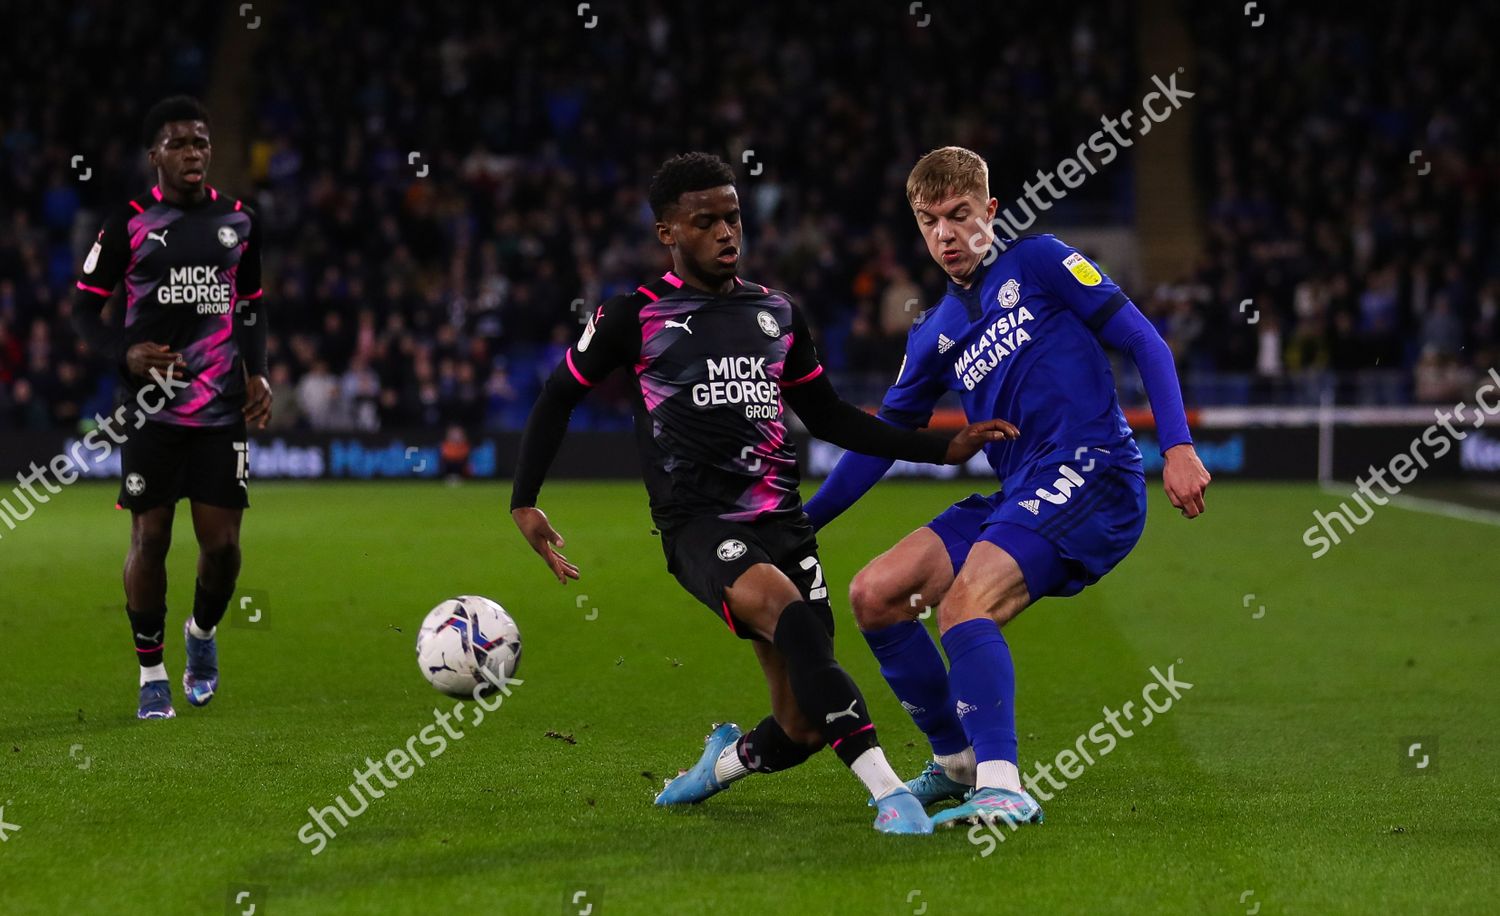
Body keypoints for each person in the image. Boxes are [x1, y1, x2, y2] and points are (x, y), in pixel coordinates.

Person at [509, 152, 1015, 834]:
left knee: (802, 724)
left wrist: (940, 446)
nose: (726, 233)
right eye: (705, 221)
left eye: (733, 217)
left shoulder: (775, 312)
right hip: (698, 524)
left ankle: (724, 761)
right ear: (668, 233)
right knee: (798, 625)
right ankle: (890, 793)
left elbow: (831, 418)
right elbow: (558, 395)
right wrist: (525, 499)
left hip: (783, 523)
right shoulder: (635, 315)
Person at [805, 146, 1211, 826]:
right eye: (929, 221)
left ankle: (1002, 783)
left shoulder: (1041, 261)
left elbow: (1146, 341)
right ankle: (957, 763)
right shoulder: (934, 333)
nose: (945, 235)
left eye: (960, 216)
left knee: (964, 608)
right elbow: (881, 444)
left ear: (990, 212)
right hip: (1021, 491)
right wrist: (804, 522)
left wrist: (1176, 445)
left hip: (1094, 472)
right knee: (875, 595)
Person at [71, 96, 271, 720]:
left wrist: (258, 369)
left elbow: (252, 305)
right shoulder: (127, 224)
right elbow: (83, 313)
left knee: (222, 549)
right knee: (150, 534)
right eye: (181, 143)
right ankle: (152, 670)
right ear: (155, 154)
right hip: (149, 412)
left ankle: (202, 637)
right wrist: (125, 354)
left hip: (219, 409)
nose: (195, 154)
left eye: (202, 143)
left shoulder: (240, 220)